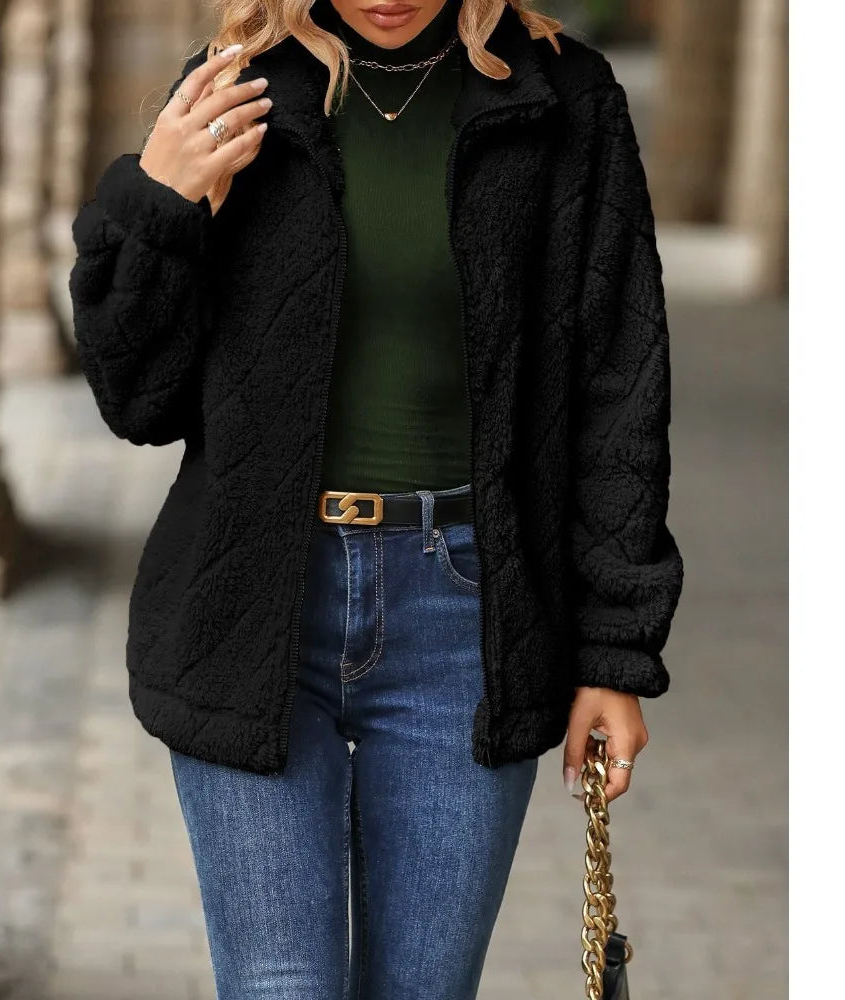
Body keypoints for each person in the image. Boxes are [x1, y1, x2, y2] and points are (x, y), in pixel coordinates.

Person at [68, 0, 684, 996]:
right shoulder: (237, 89)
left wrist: (614, 651)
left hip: (466, 618)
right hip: (256, 607)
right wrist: (161, 201)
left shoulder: (565, 99)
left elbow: (618, 384)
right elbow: (137, 399)